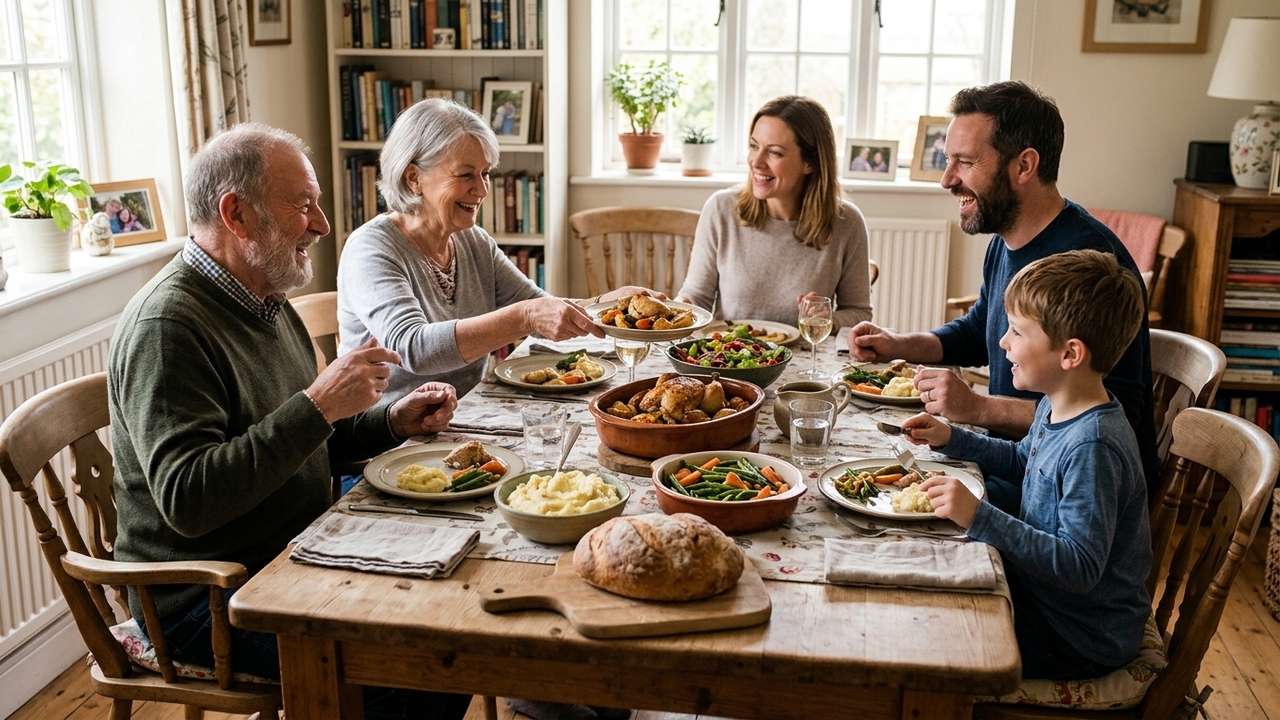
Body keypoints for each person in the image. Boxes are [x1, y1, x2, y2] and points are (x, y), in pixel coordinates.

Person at [108, 122, 470, 719]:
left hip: (294, 551)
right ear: (236, 214)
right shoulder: (168, 328)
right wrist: (320, 404)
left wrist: (390, 423)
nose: (323, 225)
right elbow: (188, 500)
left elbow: (300, 440)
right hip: (205, 597)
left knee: (453, 612)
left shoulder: (265, 299)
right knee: (423, 666)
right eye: (303, 205)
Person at [846, 80, 1158, 505]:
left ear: (1024, 166)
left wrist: (977, 408)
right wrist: (898, 345)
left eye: (965, 162)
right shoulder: (1006, 238)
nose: (946, 180)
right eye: (947, 160)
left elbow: (1108, 413)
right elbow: (980, 331)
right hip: (1017, 459)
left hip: (1066, 493)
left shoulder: (1089, 265)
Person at [902, 249, 1152, 681]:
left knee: (930, 636)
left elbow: (1079, 567)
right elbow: (1024, 461)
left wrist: (980, 515)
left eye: (1017, 332)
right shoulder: (1057, 405)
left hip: (1077, 635)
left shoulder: (1093, 445)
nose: (1003, 343)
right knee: (920, 575)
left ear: (1070, 354)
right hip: (1042, 597)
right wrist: (952, 438)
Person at [338, 98, 658, 400]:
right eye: (465, 175)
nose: (481, 189)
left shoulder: (472, 241)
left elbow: (542, 311)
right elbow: (413, 348)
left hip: (464, 416)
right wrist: (526, 317)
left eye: (485, 173)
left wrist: (611, 307)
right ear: (413, 178)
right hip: (389, 436)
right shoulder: (371, 250)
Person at [677, 95, 872, 329]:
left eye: (775, 152)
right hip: (729, 358)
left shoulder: (846, 222)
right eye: (753, 146)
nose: (756, 162)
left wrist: (827, 318)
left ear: (810, 163)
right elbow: (696, 298)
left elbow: (859, 312)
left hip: (805, 361)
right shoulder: (720, 209)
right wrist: (675, 309)